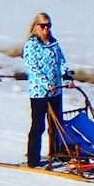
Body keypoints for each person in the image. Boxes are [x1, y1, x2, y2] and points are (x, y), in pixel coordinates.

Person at [22, 12, 73, 167]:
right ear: (36, 26)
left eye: (48, 25)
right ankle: (33, 159)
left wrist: (67, 78)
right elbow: (33, 69)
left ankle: (58, 153)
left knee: (57, 124)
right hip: (39, 92)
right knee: (39, 126)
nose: (46, 29)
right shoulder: (31, 45)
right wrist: (46, 84)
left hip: (56, 90)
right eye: (43, 25)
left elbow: (61, 62)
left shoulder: (53, 43)